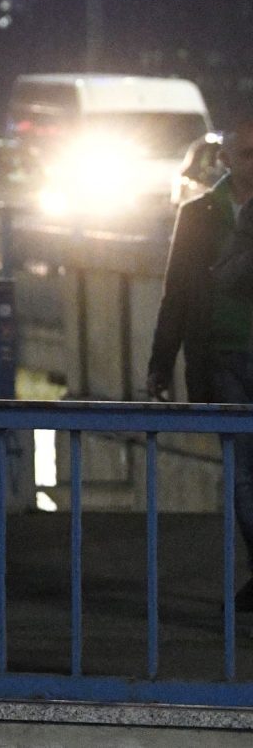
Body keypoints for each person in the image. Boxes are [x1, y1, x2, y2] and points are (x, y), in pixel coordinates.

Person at [167, 121, 253, 601]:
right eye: (247, 154)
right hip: (223, 352)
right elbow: (178, 290)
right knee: (242, 472)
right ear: (227, 159)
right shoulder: (200, 212)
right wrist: (162, 362)